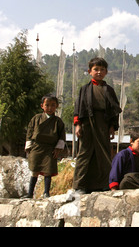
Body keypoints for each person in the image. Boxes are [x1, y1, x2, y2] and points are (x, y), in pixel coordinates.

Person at [72, 57, 122, 194]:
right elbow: (78, 107)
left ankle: (105, 184)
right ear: (89, 71)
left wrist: (112, 126)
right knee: (84, 153)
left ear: (106, 72)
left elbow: (114, 110)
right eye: (96, 69)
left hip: (103, 123)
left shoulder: (109, 90)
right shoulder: (85, 89)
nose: (99, 72)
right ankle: (79, 186)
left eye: (102, 69)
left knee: (104, 153)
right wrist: (78, 125)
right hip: (87, 122)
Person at [23, 94, 66, 198]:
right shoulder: (36, 118)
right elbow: (29, 131)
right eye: (47, 105)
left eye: (53, 105)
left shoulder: (58, 121)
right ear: (42, 106)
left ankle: (46, 192)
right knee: (35, 170)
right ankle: (30, 193)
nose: (50, 108)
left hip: (50, 149)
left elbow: (62, 136)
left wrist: (58, 149)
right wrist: (29, 145)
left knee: (48, 171)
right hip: (37, 147)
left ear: (56, 107)